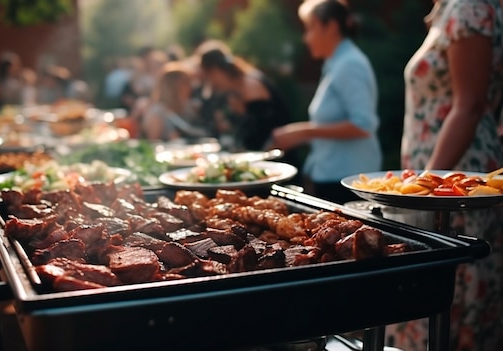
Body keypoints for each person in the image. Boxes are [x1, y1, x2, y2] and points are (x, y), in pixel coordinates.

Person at [387, 0, 503, 350]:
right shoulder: (451, 9)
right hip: (439, 174)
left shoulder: (470, 6)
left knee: (448, 298)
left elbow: (469, 107)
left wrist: (424, 185)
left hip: (453, 181)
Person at [270, 0, 382, 204]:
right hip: (334, 176)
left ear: (330, 27)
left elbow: (363, 124)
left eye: (310, 28)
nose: (306, 38)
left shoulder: (350, 64)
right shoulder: (337, 63)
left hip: (348, 181)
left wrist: (305, 132)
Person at [199, 47, 293, 153]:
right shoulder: (237, 88)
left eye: (208, 77)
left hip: (278, 158)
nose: (211, 84)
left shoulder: (250, 86)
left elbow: (261, 133)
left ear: (216, 71)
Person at [141, 62, 209, 141]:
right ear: (175, 86)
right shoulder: (157, 113)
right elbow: (152, 144)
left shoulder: (187, 108)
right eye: (186, 83)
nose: (190, 87)